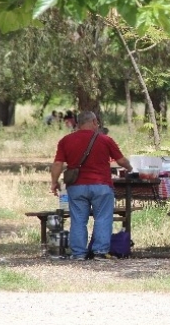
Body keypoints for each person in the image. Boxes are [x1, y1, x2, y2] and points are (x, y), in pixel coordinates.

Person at [50, 111, 133, 261]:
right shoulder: (105, 140)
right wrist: (132, 169)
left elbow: (57, 164)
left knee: (78, 220)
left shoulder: (65, 140)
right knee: (103, 218)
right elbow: (121, 161)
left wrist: (54, 182)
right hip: (101, 186)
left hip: (76, 187)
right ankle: (99, 252)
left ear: (78, 123)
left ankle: (79, 253)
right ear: (94, 122)